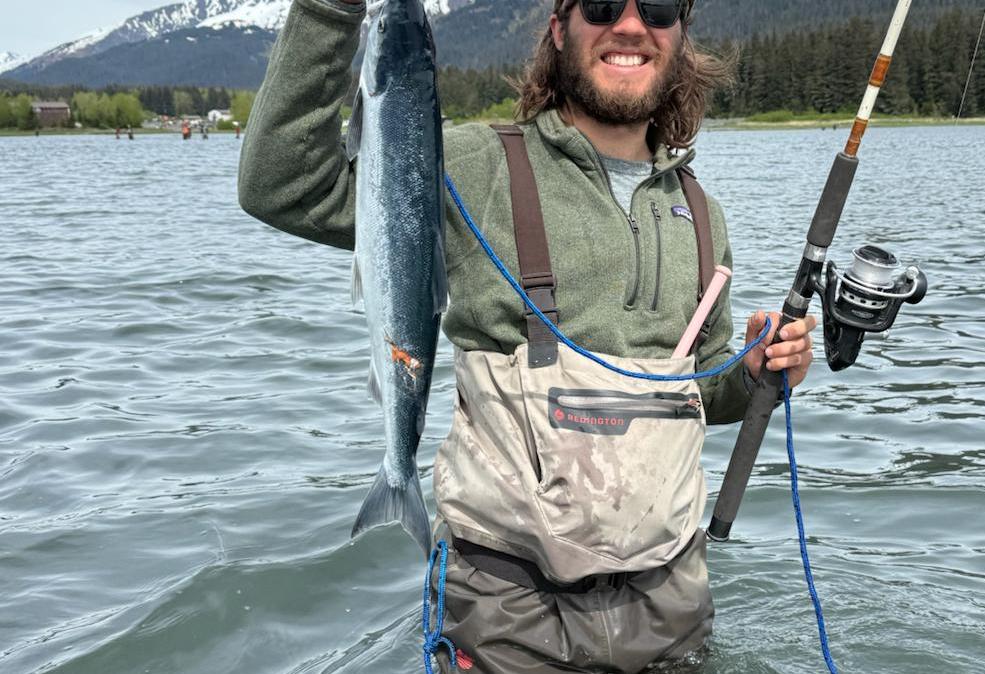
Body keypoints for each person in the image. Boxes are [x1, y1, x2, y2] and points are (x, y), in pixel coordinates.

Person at [238, 0, 818, 671]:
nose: (630, 25)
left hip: (673, 603)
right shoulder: (469, 165)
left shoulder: (700, 211)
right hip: (505, 614)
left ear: (680, 38)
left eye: (657, 8)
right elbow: (282, 185)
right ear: (558, 29)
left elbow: (698, 388)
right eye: (602, 5)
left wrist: (753, 372)